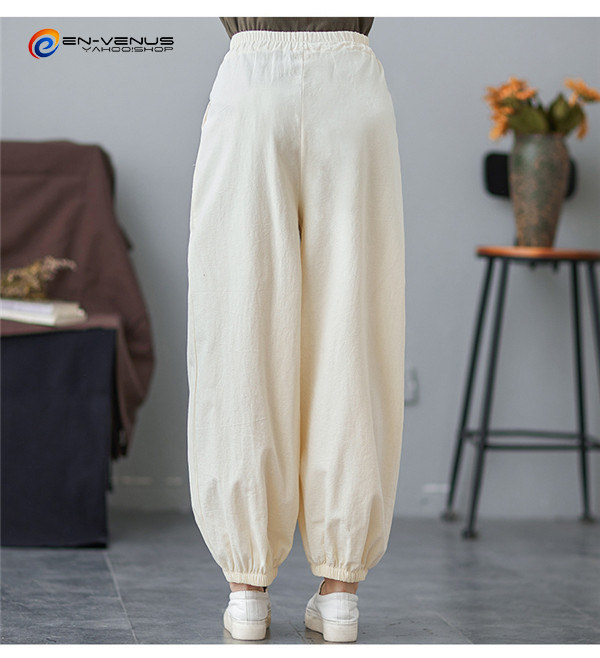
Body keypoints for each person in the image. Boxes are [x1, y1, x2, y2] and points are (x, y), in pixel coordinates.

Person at [187, 17, 406, 643]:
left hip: (251, 83)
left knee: (238, 328)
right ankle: (339, 597)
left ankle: (246, 593)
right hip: (352, 87)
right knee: (354, 331)